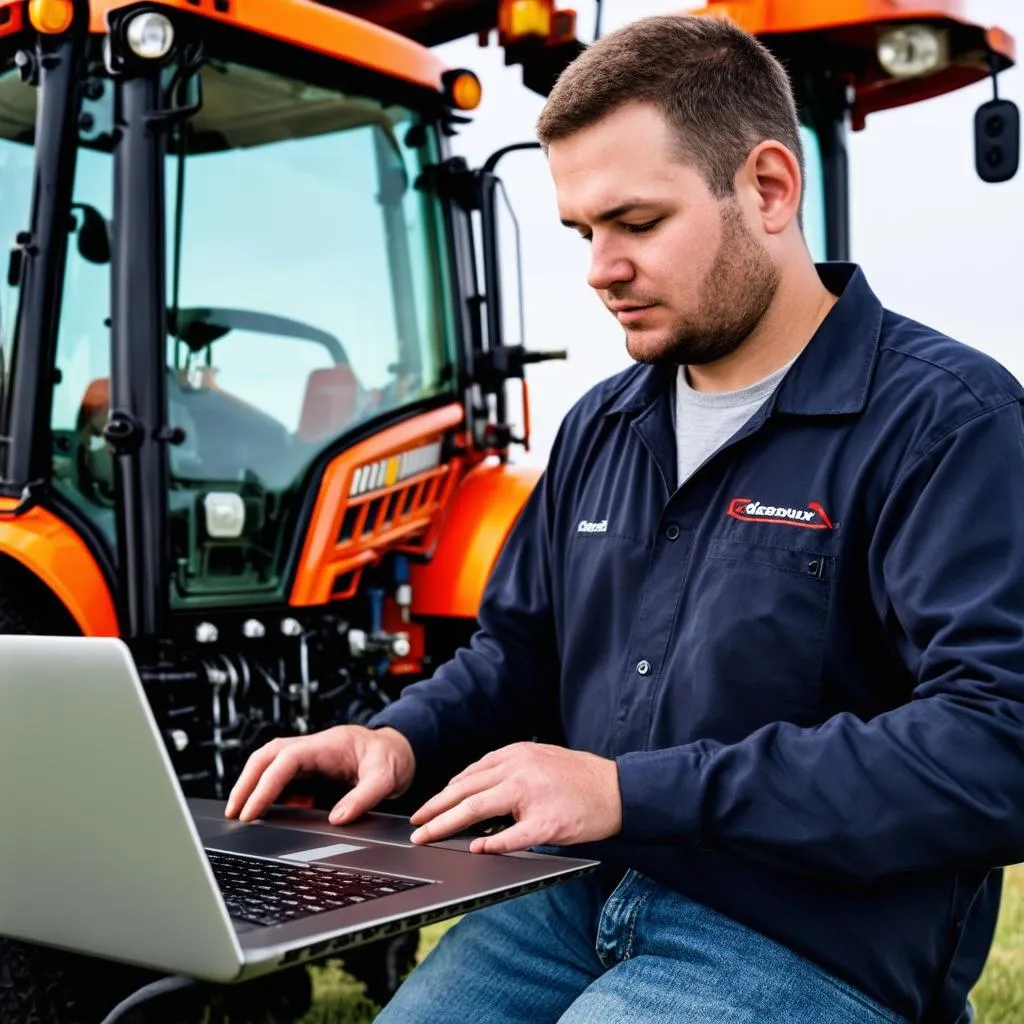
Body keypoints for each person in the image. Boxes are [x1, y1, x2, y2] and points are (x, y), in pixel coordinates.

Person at [225, 15, 1024, 1024]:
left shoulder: (944, 421)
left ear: (768, 189)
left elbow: (996, 743)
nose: (598, 268)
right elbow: (517, 653)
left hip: (809, 937)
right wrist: (394, 741)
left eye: (635, 223)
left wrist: (627, 792)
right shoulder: (604, 423)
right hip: (577, 896)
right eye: (580, 232)